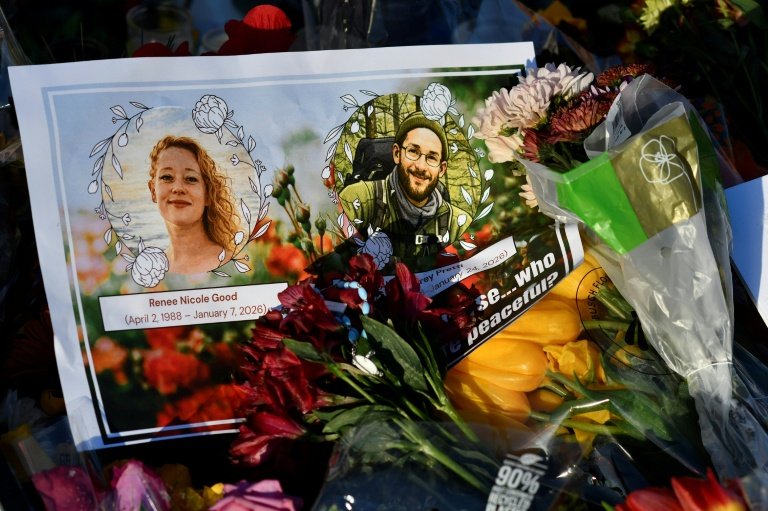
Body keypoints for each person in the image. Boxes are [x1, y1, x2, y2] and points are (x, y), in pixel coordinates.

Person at [338, 111, 473, 260]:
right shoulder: (356, 200)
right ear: (397, 154)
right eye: (413, 151)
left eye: (431, 157)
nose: (421, 166)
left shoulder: (458, 223)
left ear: (441, 169)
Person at [147, 135, 239, 275]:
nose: (178, 188)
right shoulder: (149, 270)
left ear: (207, 195)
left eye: (191, 179)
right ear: (153, 191)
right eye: (167, 177)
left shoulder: (232, 264)